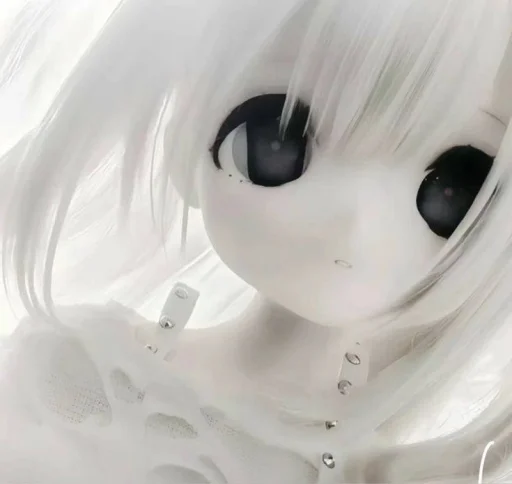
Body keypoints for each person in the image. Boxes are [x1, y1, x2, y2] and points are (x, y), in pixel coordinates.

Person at [1, 0, 512, 482]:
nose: (354, 220)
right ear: (185, 132)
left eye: (453, 190)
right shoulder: (75, 379)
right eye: (278, 139)